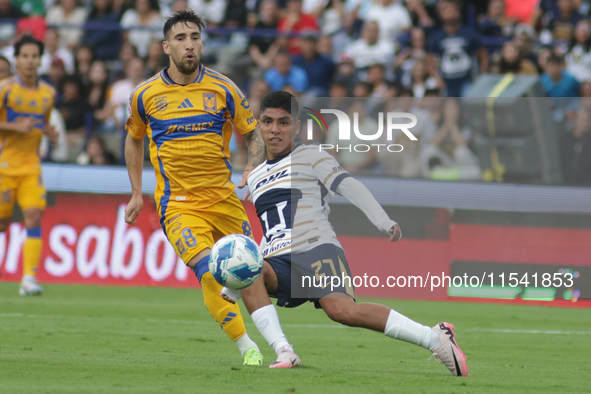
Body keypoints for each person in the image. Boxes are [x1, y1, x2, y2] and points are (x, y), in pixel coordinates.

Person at [222, 90, 470, 376]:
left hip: (316, 248)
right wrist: (236, 282)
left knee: (342, 311)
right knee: (253, 273)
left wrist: (382, 220)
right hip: (279, 259)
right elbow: (271, 230)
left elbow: (348, 186)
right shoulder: (254, 176)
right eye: (267, 122)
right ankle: (284, 351)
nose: (275, 129)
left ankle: (435, 338)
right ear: (259, 125)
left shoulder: (312, 155)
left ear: (297, 126)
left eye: (284, 122)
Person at [123, 10, 266, 366]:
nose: (190, 45)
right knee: (208, 271)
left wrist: (251, 165)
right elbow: (133, 140)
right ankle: (247, 347)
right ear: (166, 46)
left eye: (195, 38)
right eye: (182, 38)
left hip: (224, 199)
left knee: (253, 276)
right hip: (179, 204)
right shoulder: (145, 95)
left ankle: (282, 347)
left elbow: (254, 135)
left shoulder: (224, 87)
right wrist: (137, 192)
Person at [0, 36, 59, 295]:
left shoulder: (49, 94)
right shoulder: (5, 90)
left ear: (40, 60)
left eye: (34, 56)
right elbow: (19, 125)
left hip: (31, 167)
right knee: (2, 222)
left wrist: (49, 132)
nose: (30, 61)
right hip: (3, 167)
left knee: (34, 216)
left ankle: (28, 279)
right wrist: (15, 127)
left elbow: (39, 122)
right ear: (17, 59)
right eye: (25, 56)